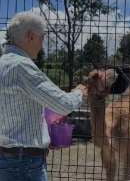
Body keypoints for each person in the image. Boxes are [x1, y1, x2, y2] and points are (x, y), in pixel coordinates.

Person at [0, 12, 87, 181]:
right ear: (30, 36)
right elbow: (63, 104)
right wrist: (79, 92)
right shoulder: (22, 67)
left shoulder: (3, 63)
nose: (42, 44)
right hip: (25, 164)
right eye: (42, 37)